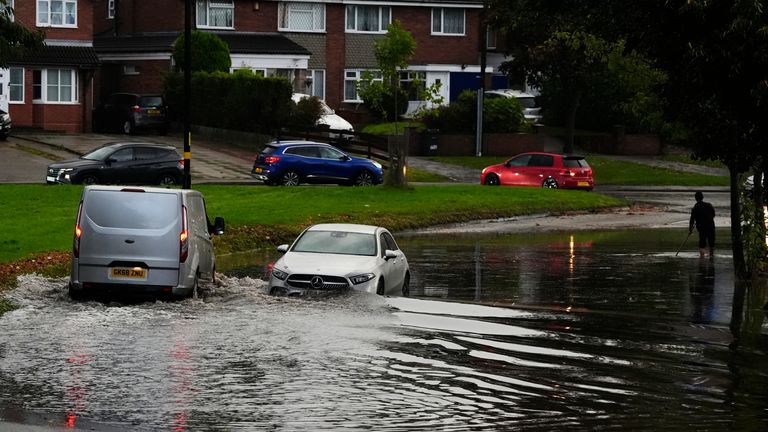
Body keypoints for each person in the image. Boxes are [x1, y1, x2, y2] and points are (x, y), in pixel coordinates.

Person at [689, 191, 716, 258]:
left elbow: (692, 220)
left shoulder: (695, 208)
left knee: (702, 244)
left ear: (695, 198)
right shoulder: (709, 205)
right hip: (711, 226)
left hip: (702, 228)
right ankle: (711, 257)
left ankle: (702, 260)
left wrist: (690, 230)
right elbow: (713, 214)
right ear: (702, 197)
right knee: (711, 243)